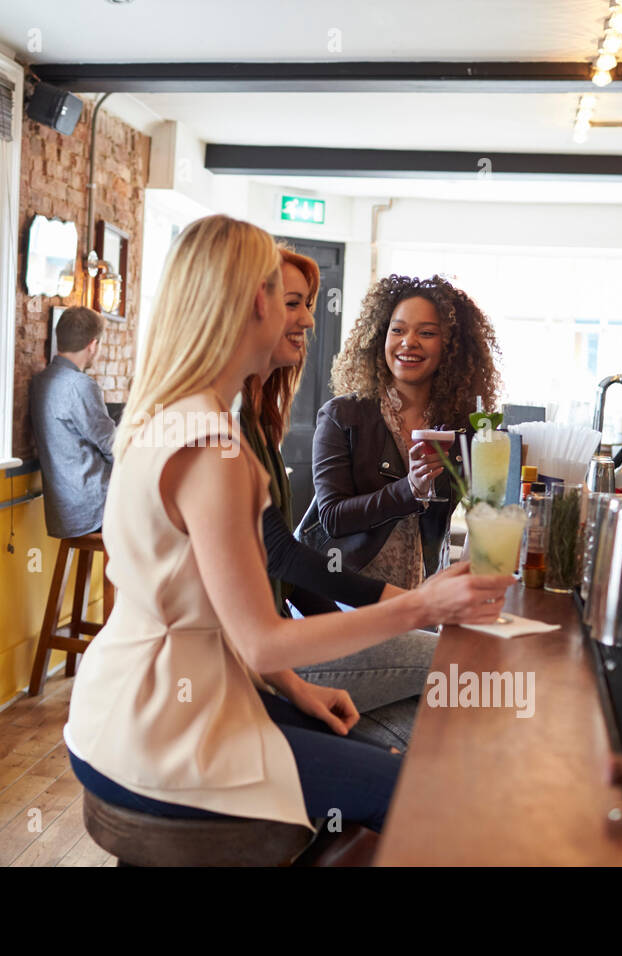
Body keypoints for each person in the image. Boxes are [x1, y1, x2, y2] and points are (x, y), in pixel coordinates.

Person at [64, 215, 514, 834]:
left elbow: (234, 619)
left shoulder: (170, 414)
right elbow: (263, 639)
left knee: (386, 755)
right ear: (256, 301)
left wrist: (295, 690)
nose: (305, 318)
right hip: (164, 735)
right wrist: (419, 605)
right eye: (288, 299)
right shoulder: (213, 446)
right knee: (435, 798)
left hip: (125, 710)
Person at [238, 248, 437, 753]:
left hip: (276, 640)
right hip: (239, 661)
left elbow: (280, 566)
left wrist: (349, 626)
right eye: (295, 304)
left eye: (308, 304)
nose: (310, 318)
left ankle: (371, 768)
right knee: (453, 668)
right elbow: (283, 551)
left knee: (433, 721)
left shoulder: (254, 417)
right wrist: (402, 607)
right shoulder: (216, 427)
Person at [303, 274, 501, 589]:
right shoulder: (343, 415)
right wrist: (409, 490)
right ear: (380, 336)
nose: (408, 341)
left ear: (452, 347)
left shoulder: (463, 428)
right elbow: (333, 517)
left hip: (422, 594)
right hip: (344, 595)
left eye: (427, 332)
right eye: (398, 330)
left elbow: (487, 512)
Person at [30, 305, 116, 538]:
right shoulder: (80, 385)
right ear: (93, 345)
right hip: (92, 508)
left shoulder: (40, 382)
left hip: (62, 509)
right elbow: (113, 446)